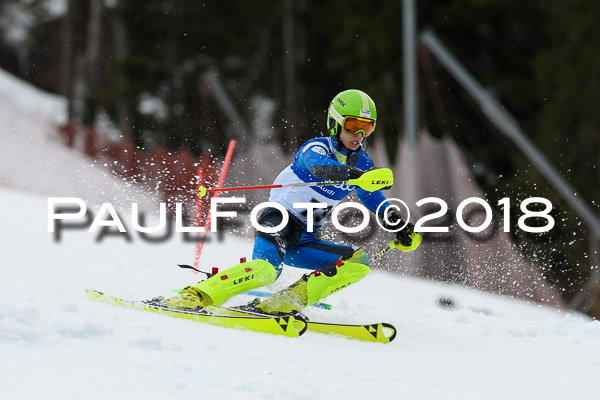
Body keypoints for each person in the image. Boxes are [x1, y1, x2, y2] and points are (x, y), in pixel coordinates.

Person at [158, 89, 422, 314]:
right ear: (336, 123)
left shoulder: (363, 162)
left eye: (366, 128)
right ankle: (197, 295)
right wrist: (358, 176)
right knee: (265, 271)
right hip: (278, 221)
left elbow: (372, 197)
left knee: (358, 262)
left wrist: (399, 225)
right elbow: (320, 168)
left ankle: (288, 300)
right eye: (353, 126)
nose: (359, 135)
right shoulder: (315, 148)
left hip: (305, 238)